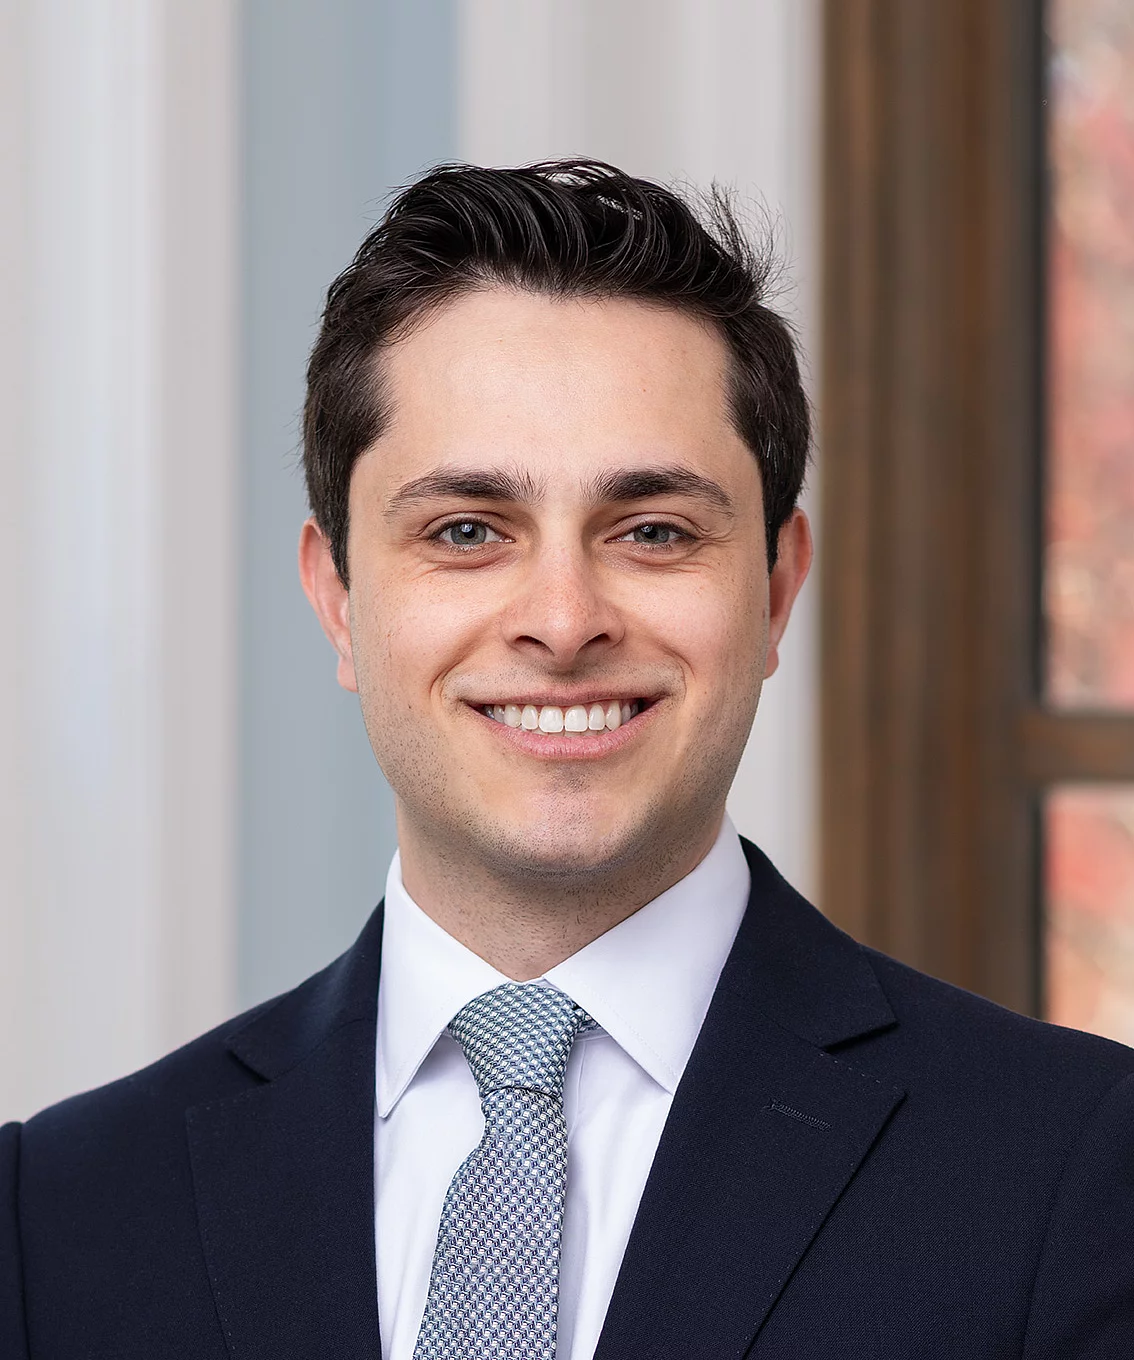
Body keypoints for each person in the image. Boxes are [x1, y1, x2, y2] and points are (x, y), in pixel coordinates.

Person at [2, 160, 1132, 1360]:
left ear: (777, 588)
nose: (562, 617)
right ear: (337, 598)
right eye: (467, 530)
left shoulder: (1076, 1169)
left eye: (652, 531)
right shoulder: (55, 1216)